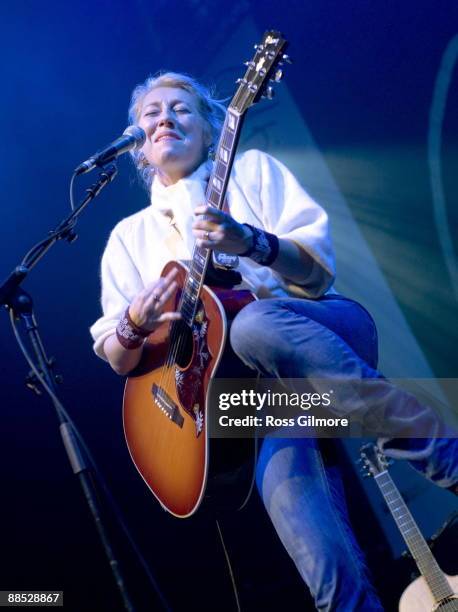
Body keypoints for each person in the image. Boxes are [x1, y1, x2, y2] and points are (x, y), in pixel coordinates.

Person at [90, 72, 457, 611]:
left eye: (181, 109)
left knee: (252, 325)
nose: (165, 117)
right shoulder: (128, 237)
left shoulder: (252, 172)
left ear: (213, 127)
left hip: (319, 331)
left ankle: (446, 459)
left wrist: (252, 242)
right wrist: (135, 323)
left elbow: (316, 277)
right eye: (151, 112)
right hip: (258, 403)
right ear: (137, 143)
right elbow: (119, 358)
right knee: (326, 568)